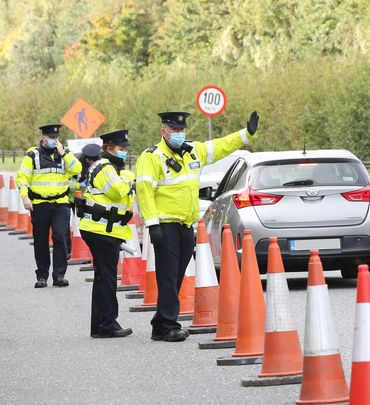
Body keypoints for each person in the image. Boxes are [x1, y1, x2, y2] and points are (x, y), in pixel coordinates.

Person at [136, 110, 259, 342]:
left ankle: (160, 323)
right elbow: (144, 192)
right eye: (174, 130)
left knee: (176, 275)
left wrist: (246, 134)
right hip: (165, 225)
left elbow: (221, 146)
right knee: (168, 277)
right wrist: (153, 225)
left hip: (185, 226)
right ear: (164, 131)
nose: (179, 134)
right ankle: (169, 325)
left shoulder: (194, 152)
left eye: (182, 130)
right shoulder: (151, 157)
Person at [76, 132, 134, 338]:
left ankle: (100, 325)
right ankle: (108, 323)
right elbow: (118, 191)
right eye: (122, 148)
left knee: (103, 278)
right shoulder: (106, 168)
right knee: (107, 278)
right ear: (110, 149)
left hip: (101, 229)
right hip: (100, 230)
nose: (125, 152)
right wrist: (129, 179)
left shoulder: (109, 167)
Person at [16, 124, 82, 288]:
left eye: (56, 138)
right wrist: (25, 197)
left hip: (60, 204)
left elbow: (77, 169)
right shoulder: (32, 155)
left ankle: (59, 276)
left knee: (60, 238)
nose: (54, 141)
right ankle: (42, 276)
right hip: (39, 204)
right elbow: (22, 177)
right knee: (41, 241)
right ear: (43, 138)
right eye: (51, 138)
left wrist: (64, 153)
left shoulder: (64, 153)